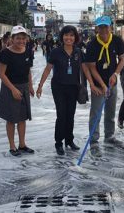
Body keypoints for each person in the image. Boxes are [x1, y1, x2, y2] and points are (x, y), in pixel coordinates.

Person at [36, 26, 83, 155]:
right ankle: (59, 143)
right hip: (59, 87)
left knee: (70, 115)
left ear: (75, 38)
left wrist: (92, 84)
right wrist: (40, 86)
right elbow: (48, 69)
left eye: (72, 35)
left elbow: (84, 70)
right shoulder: (56, 52)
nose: (69, 38)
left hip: (73, 87)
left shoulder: (78, 52)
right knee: (61, 115)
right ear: (62, 37)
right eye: (66, 35)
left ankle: (69, 140)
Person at [84, 16, 124, 157]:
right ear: (97, 28)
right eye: (100, 27)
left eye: (105, 27)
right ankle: (94, 142)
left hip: (112, 82)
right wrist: (102, 85)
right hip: (98, 85)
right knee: (95, 114)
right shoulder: (92, 45)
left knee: (110, 111)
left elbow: (122, 60)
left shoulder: (117, 40)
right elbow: (91, 67)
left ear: (110, 27)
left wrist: (115, 74)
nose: (103, 30)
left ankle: (109, 136)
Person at [0, 26, 35, 156]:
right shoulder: (5, 53)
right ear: (12, 39)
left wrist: (30, 86)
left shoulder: (28, 51)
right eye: (18, 38)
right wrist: (12, 89)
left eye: (23, 38)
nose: (21, 41)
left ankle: (22, 144)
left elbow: (28, 70)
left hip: (24, 87)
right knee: (11, 119)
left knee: (23, 118)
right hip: (9, 88)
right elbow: (1, 74)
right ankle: (12, 146)